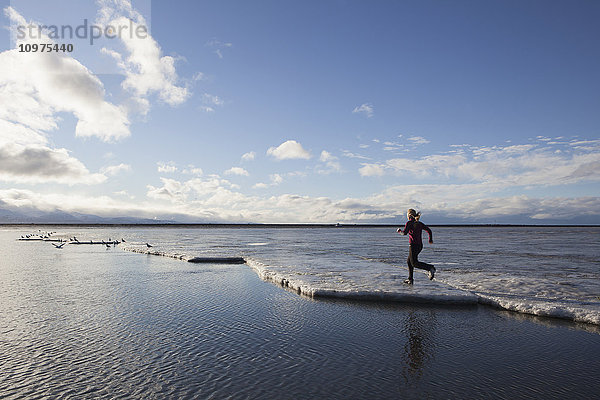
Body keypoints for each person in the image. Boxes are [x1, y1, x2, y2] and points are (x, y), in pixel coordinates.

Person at [397, 209, 435, 285]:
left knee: (414, 263)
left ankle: (430, 268)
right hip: (420, 246)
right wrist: (430, 239)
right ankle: (410, 279)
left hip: (413, 245)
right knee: (409, 262)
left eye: (407, 215)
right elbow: (429, 230)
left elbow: (404, 233)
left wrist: (399, 231)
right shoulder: (419, 223)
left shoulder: (409, 223)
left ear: (409, 215)